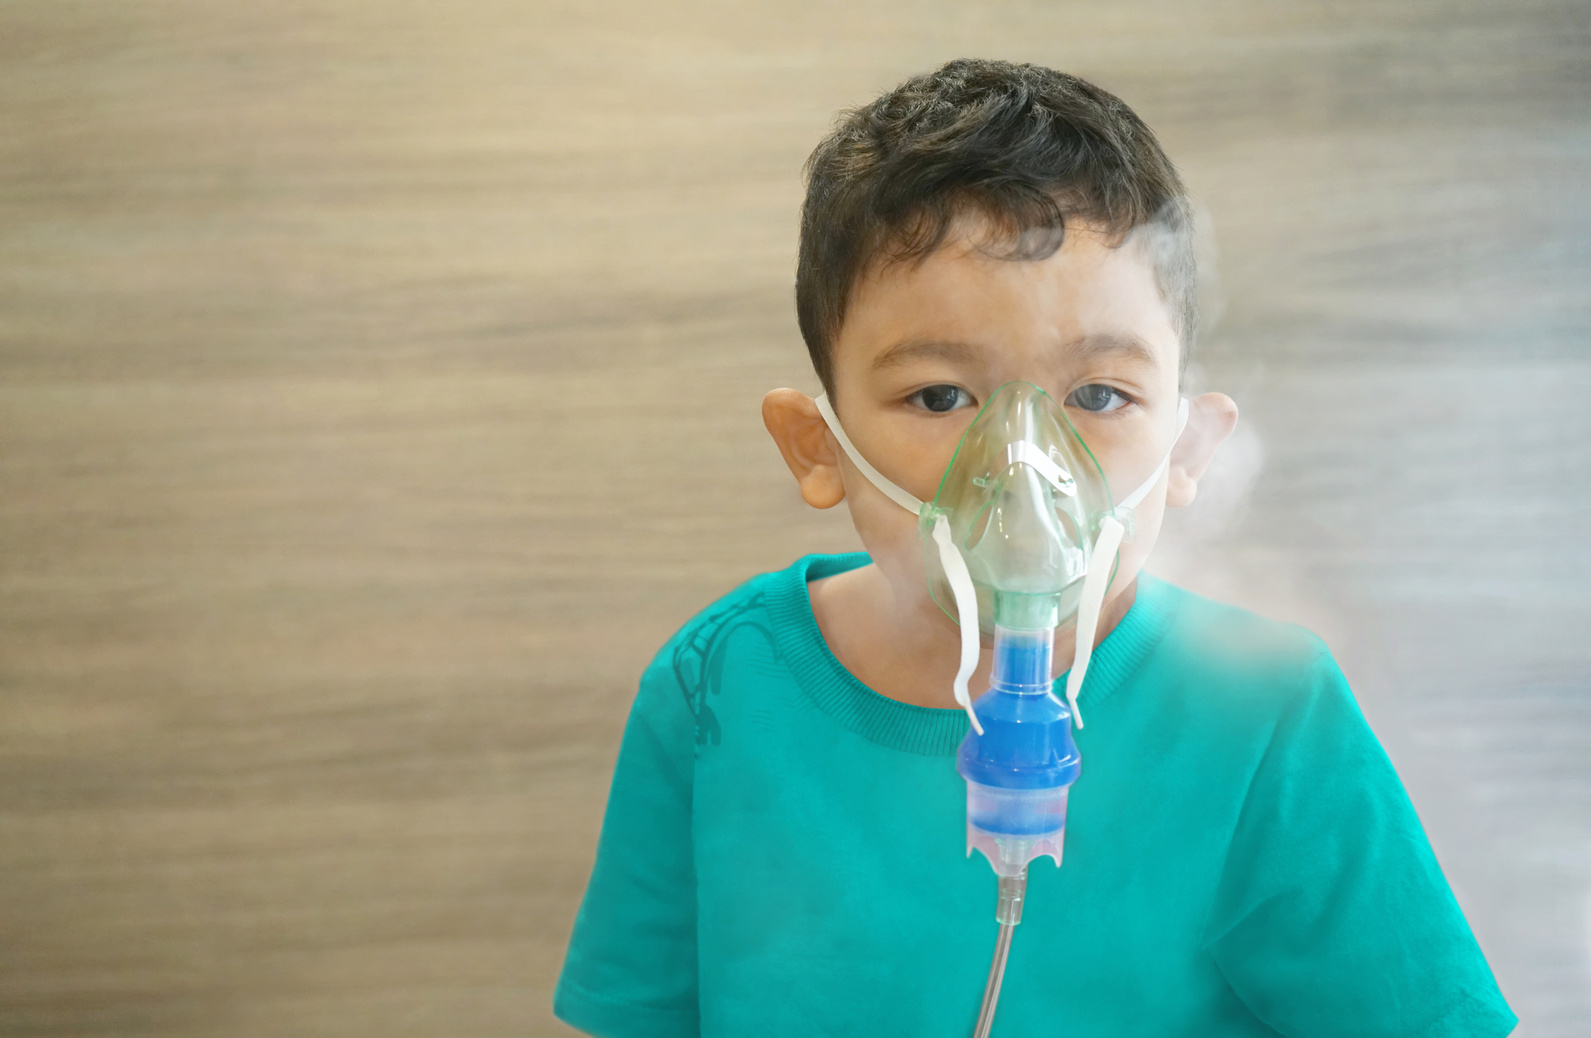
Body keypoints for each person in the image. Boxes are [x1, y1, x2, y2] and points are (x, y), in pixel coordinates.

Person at [553, 59, 1515, 1037]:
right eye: (939, 396)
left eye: (1098, 396)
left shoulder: (1264, 712)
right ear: (819, 448)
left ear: (1185, 449)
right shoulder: (719, 688)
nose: (1017, 469)